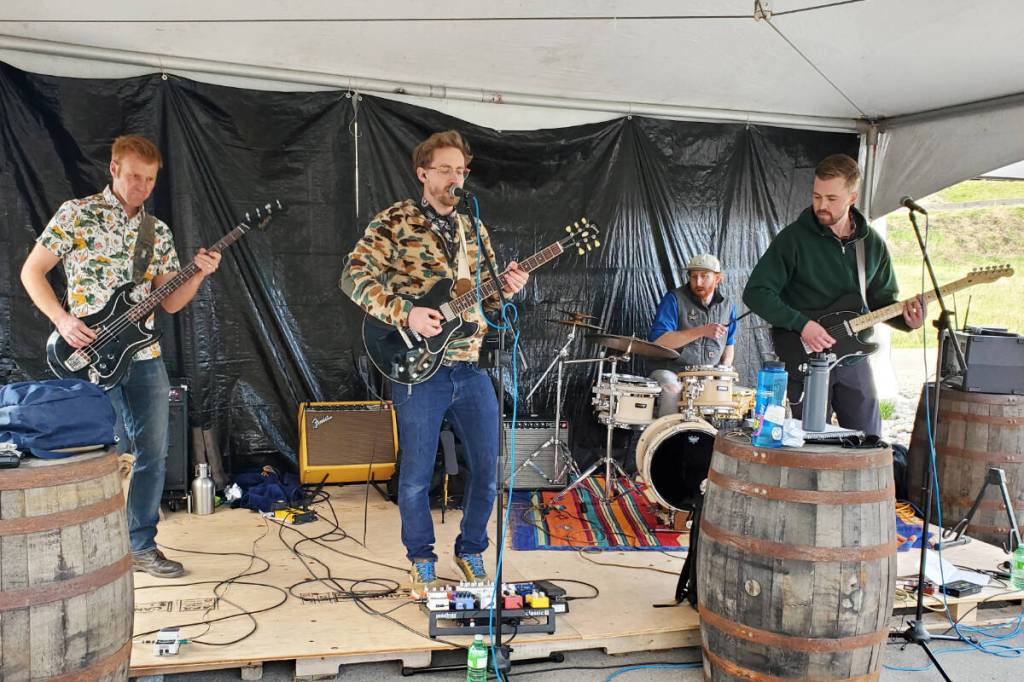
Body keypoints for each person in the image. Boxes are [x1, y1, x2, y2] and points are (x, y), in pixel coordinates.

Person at [20, 135, 221, 578]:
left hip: (144, 353)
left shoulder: (158, 232)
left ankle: (140, 545)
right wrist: (61, 320)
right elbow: (31, 271)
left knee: (154, 449)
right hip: (87, 352)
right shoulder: (77, 214)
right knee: (99, 452)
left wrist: (199, 275)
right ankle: (93, 548)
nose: (141, 187)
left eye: (149, 179)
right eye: (133, 176)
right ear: (113, 169)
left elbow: (169, 301)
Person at [340, 130, 528, 597]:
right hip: (416, 366)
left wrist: (508, 286)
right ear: (423, 173)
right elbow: (353, 276)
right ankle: (421, 560)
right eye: (445, 169)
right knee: (417, 473)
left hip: (468, 365)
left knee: (489, 466)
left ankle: (470, 551)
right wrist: (406, 312)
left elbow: (479, 299)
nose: (455, 178)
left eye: (461, 170)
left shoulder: (473, 228)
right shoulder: (395, 222)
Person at [742, 153, 925, 436]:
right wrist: (803, 325)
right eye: (816, 197)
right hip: (808, 360)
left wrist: (907, 320)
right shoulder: (793, 239)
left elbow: (881, 301)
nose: (821, 206)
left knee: (869, 444)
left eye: (831, 199)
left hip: (855, 361)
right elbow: (756, 292)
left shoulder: (871, 244)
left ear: (853, 196)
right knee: (809, 445)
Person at [647, 254, 737, 417]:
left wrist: (723, 373)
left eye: (704, 276)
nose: (698, 282)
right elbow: (660, 340)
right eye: (694, 276)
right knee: (672, 389)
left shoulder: (728, 306)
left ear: (718, 278)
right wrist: (702, 330)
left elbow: (729, 345)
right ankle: (667, 438)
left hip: (706, 376)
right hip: (672, 372)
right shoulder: (674, 299)